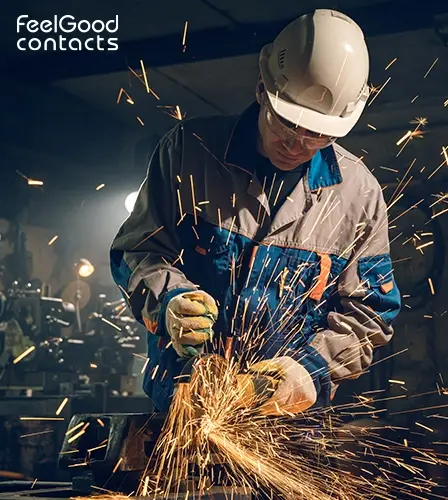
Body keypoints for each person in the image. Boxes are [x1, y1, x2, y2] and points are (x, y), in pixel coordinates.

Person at [110, 9, 401, 416]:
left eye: (316, 134)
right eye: (286, 123)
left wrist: (310, 369)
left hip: (290, 426)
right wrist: (170, 301)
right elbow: (137, 252)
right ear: (262, 89)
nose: (296, 144)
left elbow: (369, 313)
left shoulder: (358, 194)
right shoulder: (190, 152)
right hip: (185, 405)